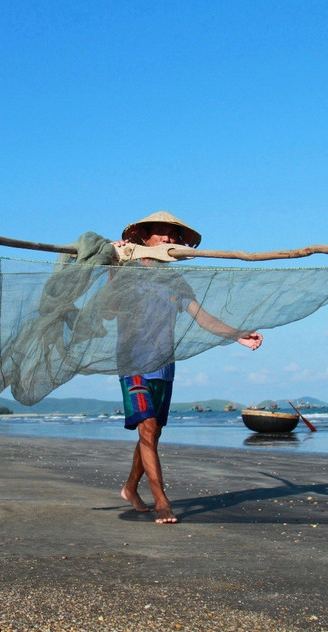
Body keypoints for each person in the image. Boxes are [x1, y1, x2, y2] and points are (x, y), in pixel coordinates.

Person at [109, 211, 263, 524]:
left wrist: (238, 335)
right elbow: (108, 311)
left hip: (164, 368)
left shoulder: (175, 281)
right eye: (160, 233)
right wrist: (114, 265)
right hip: (133, 364)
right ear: (144, 237)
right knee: (148, 429)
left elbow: (201, 317)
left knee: (151, 433)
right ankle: (162, 501)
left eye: (172, 235)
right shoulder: (125, 271)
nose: (167, 239)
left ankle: (129, 488)